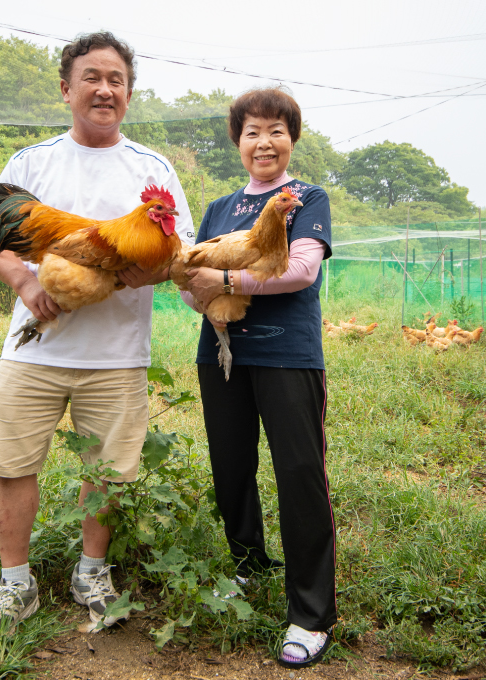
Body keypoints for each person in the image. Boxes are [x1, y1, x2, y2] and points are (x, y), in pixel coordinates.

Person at [0, 31, 194, 637]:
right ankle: (15, 582)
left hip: (117, 354)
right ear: (67, 88)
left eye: (116, 79)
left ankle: (92, 570)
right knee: (13, 464)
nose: (104, 89)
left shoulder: (154, 169)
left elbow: (176, 253)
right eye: (92, 77)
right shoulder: (31, 161)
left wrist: (140, 270)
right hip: (36, 346)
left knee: (109, 471)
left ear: (128, 94)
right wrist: (23, 283)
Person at [183, 88, 337, 669]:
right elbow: (194, 271)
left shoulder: (305, 197)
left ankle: (311, 613)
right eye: (251, 131)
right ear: (237, 142)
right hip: (221, 355)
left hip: (287, 356)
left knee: (299, 474)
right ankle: (248, 568)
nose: (263, 141)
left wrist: (225, 285)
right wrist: (194, 289)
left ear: (291, 139)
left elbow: (299, 271)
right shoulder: (220, 207)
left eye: (275, 130)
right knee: (231, 468)